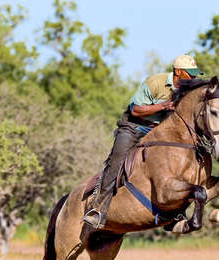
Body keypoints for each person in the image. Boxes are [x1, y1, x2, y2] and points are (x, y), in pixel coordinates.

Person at [82, 54, 204, 229]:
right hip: (134, 128)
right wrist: (163, 106)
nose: (193, 77)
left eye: (195, 74)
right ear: (178, 72)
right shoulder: (155, 82)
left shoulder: (189, 92)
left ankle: (176, 214)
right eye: (189, 73)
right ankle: (97, 209)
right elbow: (136, 110)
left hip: (159, 133)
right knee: (116, 161)